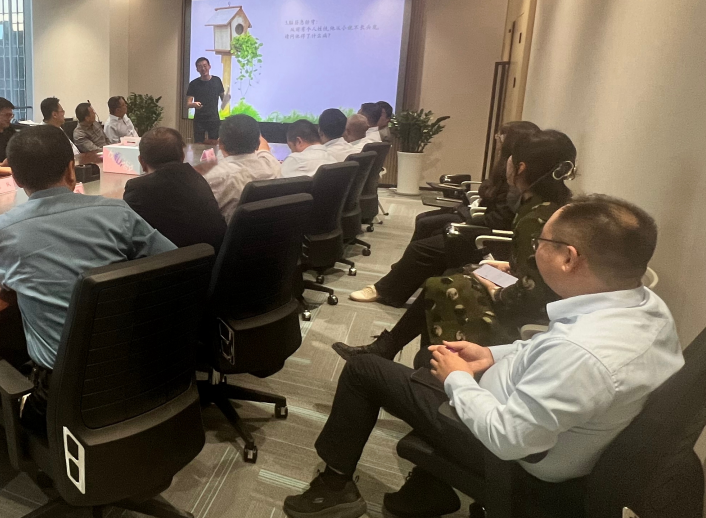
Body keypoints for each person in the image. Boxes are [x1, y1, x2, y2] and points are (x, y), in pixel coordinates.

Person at [282, 195, 683, 518]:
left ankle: (333, 491)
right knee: (428, 360)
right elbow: (545, 348)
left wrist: (457, 379)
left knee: (364, 369)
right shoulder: (644, 307)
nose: (534, 251)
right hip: (533, 414)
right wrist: (490, 354)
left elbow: (509, 439)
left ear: (569, 258)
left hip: (511, 458)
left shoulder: (581, 354)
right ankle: (426, 491)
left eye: (541, 243)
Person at [0, 126, 176, 429]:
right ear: (71, 170)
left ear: (17, 180)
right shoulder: (118, 213)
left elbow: (1, 278)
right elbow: (175, 262)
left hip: (61, 393)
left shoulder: (5, 229)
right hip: (137, 371)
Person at [337, 129, 578, 363]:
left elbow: (531, 294)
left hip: (523, 312)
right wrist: (506, 266)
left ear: (521, 167)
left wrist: (494, 289)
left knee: (440, 286)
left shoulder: (536, 219)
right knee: (450, 275)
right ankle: (400, 352)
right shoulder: (548, 206)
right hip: (526, 290)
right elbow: (536, 269)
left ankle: (417, 360)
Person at [349, 121, 540, 305]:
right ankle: (405, 275)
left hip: (487, 238)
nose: (497, 140)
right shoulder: (509, 173)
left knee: (421, 248)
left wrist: (466, 221)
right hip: (482, 226)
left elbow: (499, 219)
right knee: (425, 224)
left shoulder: (517, 184)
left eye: (501, 137)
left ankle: (387, 290)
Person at [123, 127, 226, 251]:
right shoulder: (197, 177)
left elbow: (128, 234)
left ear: (141, 161)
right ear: (182, 156)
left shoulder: (137, 189)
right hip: (214, 256)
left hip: (175, 260)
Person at [203, 114, 281, 221]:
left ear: (220, 143)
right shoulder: (273, 165)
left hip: (225, 231)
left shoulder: (213, 178)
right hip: (268, 230)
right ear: (257, 144)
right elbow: (264, 148)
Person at [186, 57, 230, 144]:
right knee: (198, 144)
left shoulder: (217, 80)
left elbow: (223, 100)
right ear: (197, 69)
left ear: (209, 66)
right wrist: (194, 104)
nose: (203, 68)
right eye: (200, 66)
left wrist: (227, 98)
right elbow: (188, 104)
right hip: (199, 119)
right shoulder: (193, 84)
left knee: (214, 144)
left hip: (213, 118)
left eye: (205, 66)